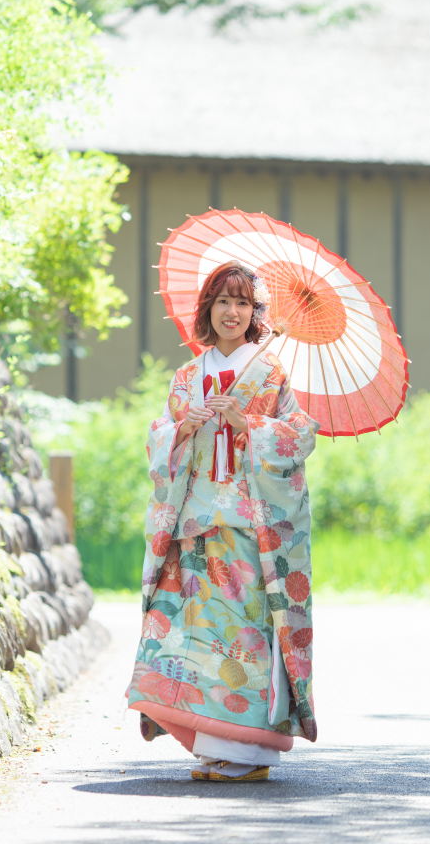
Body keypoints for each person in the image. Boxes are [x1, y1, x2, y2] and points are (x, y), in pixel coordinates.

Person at [126, 260, 318, 782]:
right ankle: (214, 747)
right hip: (193, 525)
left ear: (256, 313)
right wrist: (181, 430)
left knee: (243, 635)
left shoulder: (271, 373)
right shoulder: (187, 377)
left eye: (243, 303)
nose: (232, 312)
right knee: (197, 635)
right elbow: (158, 440)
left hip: (250, 529)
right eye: (223, 301)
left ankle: (249, 753)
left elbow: (301, 436)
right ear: (208, 308)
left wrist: (250, 424)